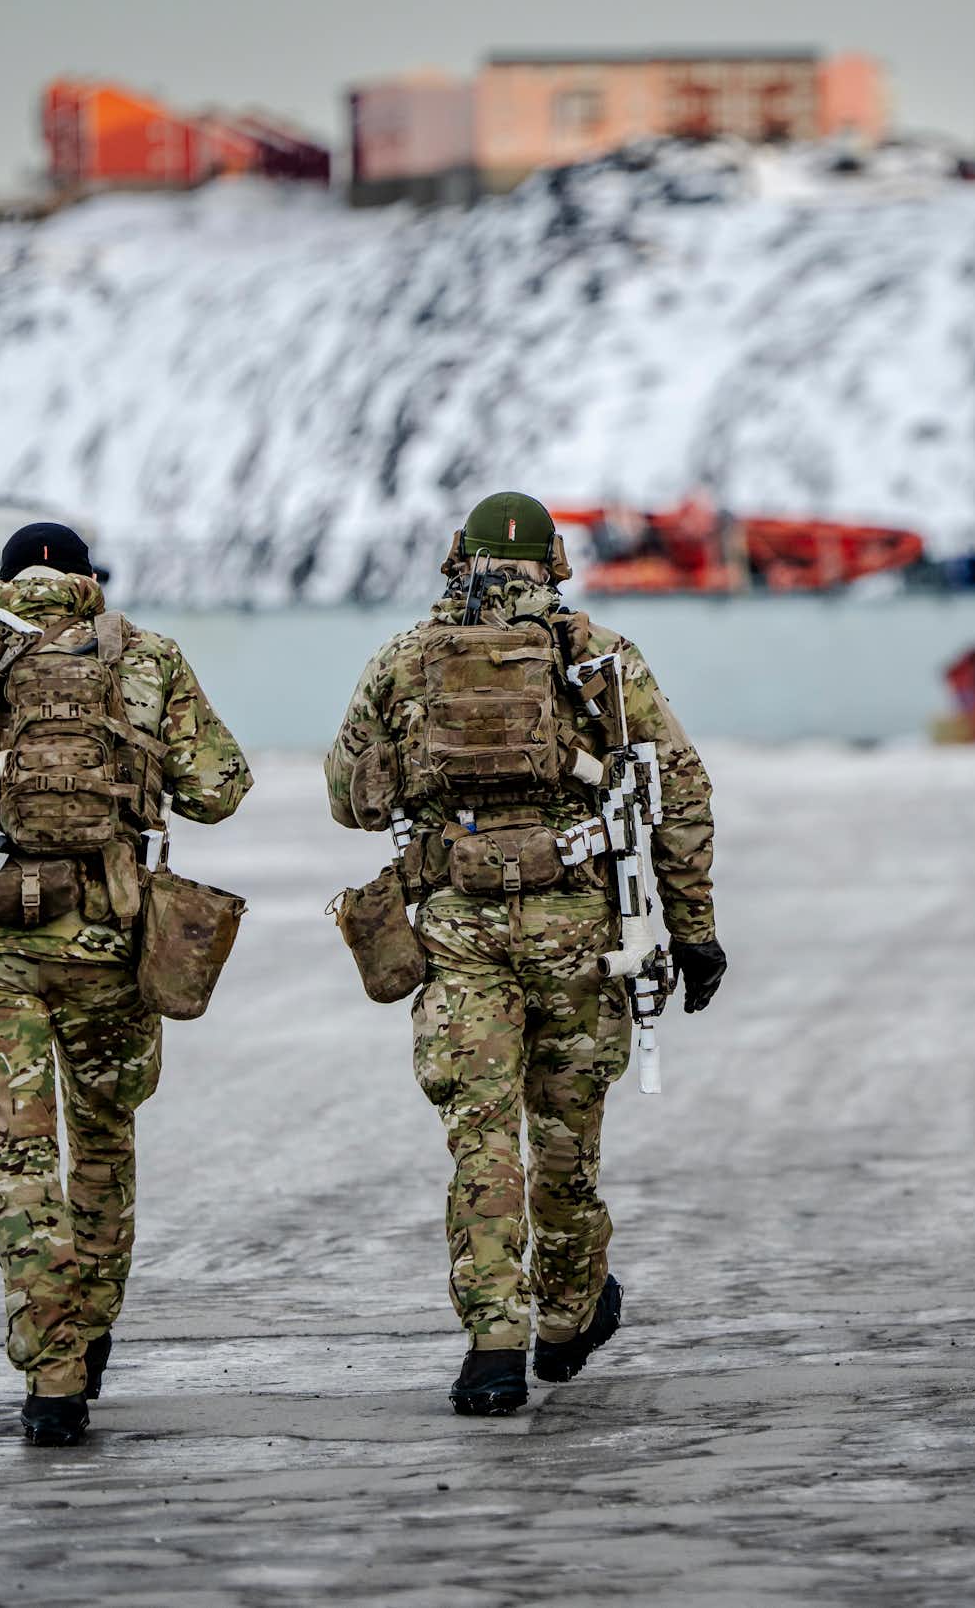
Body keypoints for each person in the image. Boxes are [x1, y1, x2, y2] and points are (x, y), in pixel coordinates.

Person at [0, 522, 253, 1446]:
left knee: (18, 1161)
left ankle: (52, 1376)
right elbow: (223, 785)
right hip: (108, 940)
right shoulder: (144, 657)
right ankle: (92, 1330)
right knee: (102, 1136)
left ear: (5, 580)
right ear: (86, 581)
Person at [324, 493, 725, 1417]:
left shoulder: (403, 660)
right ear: (554, 563)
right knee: (564, 1138)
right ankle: (567, 1316)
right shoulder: (601, 661)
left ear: (455, 559)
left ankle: (492, 1348)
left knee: (481, 1141)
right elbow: (678, 791)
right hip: (578, 932)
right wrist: (692, 927)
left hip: (457, 931)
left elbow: (348, 797)